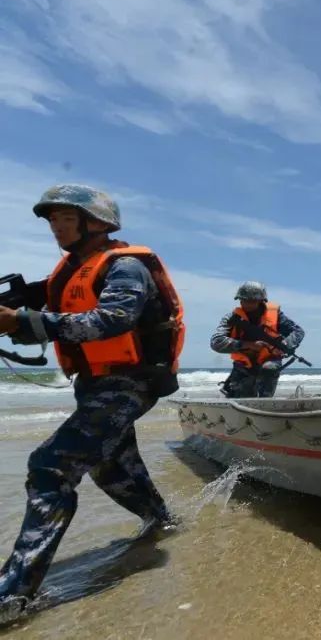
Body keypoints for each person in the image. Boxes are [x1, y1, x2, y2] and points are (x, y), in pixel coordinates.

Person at [0, 184, 184, 618]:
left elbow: (112, 320)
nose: (56, 229)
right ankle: (164, 522)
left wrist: (25, 323)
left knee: (51, 466)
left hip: (128, 383)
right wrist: (17, 310)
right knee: (113, 466)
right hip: (95, 385)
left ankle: (12, 595)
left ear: (97, 223)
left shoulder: (125, 267)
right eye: (52, 221)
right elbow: (44, 297)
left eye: (66, 219)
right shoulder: (70, 270)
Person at [210, 282, 305, 398]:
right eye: (243, 300)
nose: (246, 304)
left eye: (251, 301)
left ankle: (266, 403)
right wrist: (248, 345)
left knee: (269, 368)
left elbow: (298, 331)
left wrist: (284, 345)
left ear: (261, 301)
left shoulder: (276, 315)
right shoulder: (231, 318)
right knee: (240, 399)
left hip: (269, 360)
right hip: (243, 365)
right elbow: (216, 342)